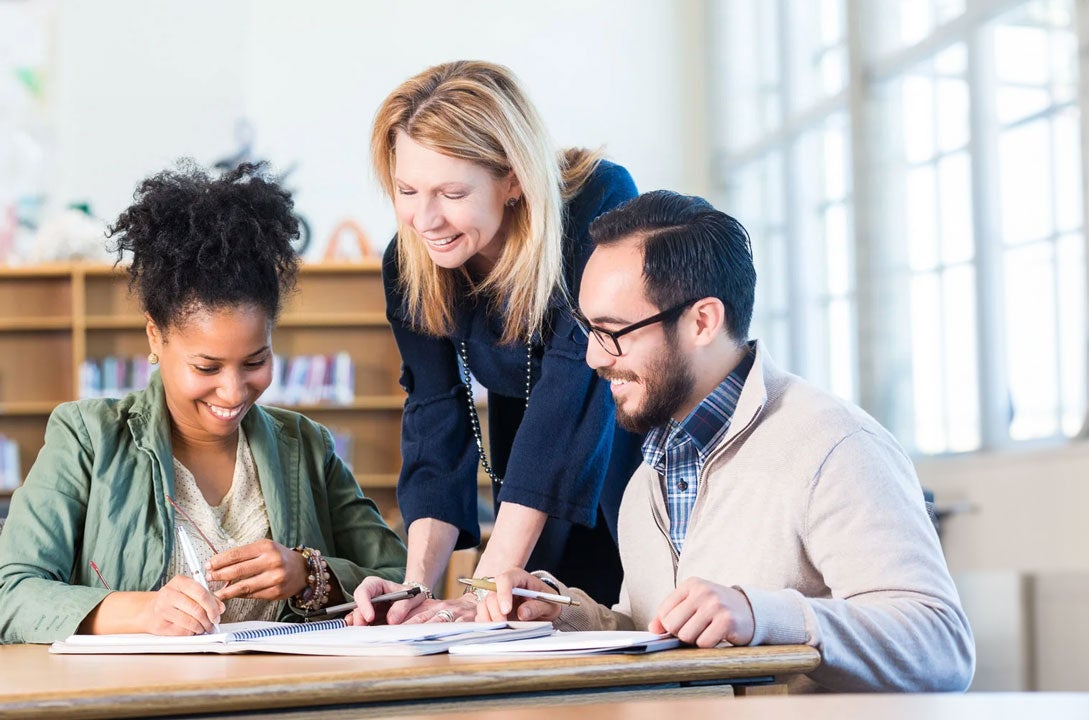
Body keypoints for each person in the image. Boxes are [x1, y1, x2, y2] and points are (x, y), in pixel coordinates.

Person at [476, 191, 976, 692]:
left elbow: (941, 643)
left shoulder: (836, 446)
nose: (592, 358)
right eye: (588, 329)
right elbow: (662, 638)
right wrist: (566, 616)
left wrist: (762, 614)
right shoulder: (646, 476)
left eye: (612, 331)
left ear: (702, 322)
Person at [0, 162, 406, 643]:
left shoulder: (306, 445)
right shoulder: (88, 438)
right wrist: (139, 612)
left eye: (255, 362)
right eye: (207, 367)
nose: (233, 393)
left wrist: (308, 575)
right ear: (156, 335)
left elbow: (401, 579)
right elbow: (12, 593)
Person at [348, 60, 642, 626]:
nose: (423, 218)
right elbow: (435, 416)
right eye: (407, 190)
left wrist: (485, 586)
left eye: (451, 192)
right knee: (519, 627)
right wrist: (416, 587)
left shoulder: (597, 202)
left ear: (512, 179)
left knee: (619, 627)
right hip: (527, 463)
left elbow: (571, 391)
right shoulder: (409, 260)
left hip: (626, 447)